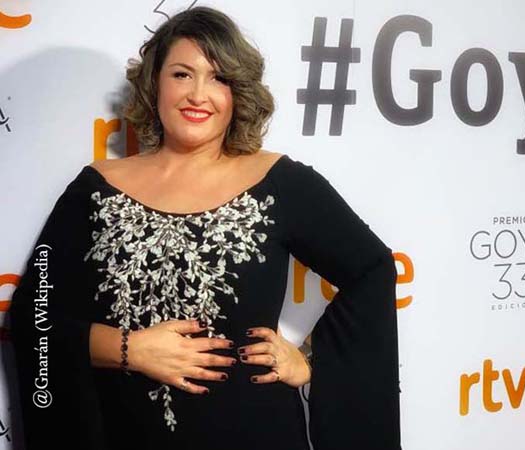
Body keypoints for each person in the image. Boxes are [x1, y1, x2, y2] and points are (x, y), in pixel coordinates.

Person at [8, 6, 400, 450]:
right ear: (155, 83)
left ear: (237, 93)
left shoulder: (280, 183)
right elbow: (33, 316)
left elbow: (372, 269)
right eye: (182, 74)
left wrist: (313, 361)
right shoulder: (96, 189)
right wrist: (129, 349)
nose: (198, 95)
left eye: (218, 78)